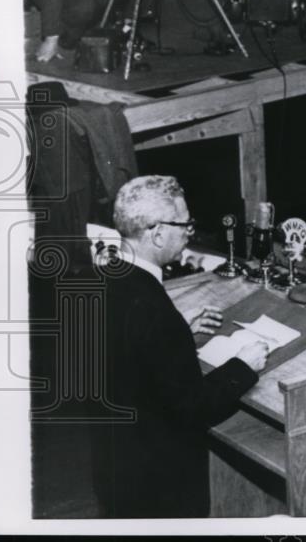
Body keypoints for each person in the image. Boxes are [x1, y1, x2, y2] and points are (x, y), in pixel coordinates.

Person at [91, 176, 268, 517]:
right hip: (158, 488)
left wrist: (178, 332)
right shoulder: (155, 312)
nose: (190, 230)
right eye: (184, 223)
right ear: (157, 233)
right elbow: (195, 407)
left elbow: (126, 352)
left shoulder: (103, 279)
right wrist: (244, 365)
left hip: (114, 466)